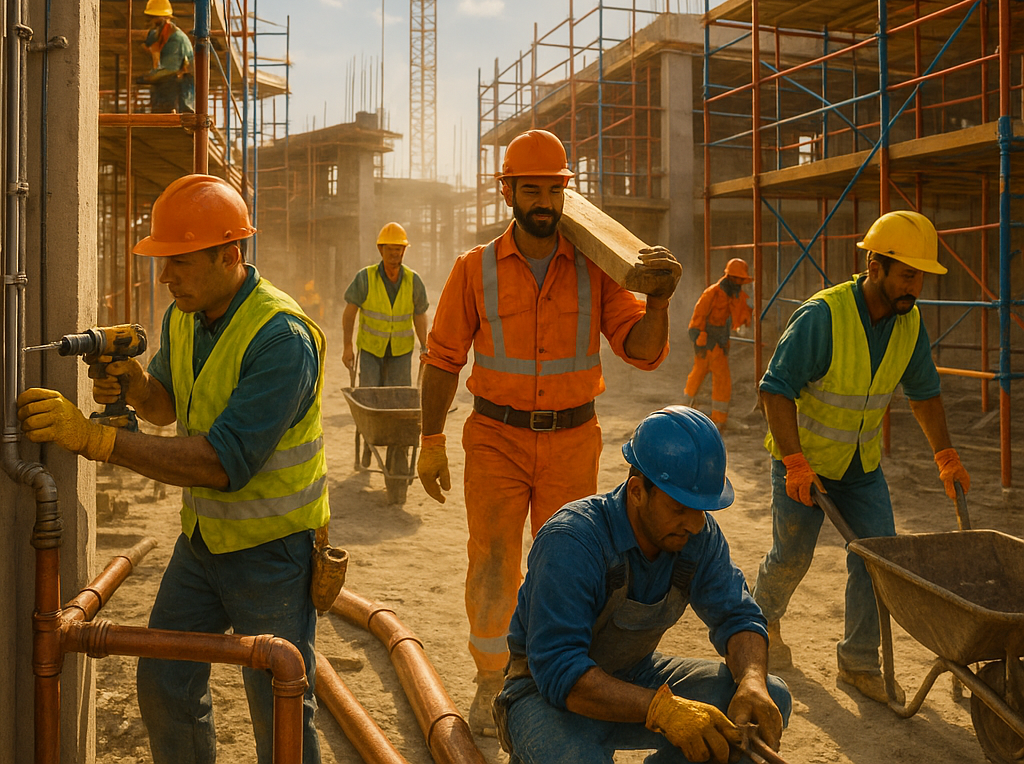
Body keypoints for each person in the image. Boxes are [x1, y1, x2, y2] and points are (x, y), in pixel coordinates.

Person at [18, 174, 329, 764]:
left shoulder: (282, 339)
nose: (166, 277)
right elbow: (168, 403)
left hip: (272, 549)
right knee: (164, 680)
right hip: (204, 540)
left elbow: (220, 463)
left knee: (279, 700)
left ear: (230, 254)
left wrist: (95, 439)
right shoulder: (186, 314)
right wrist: (135, 385)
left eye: (180, 261)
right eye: (165, 262)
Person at [416, 128, 683, 735]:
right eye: (528, 189)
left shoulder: (597, 269)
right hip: (495, 436)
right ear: (507, 191)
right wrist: (431, 441)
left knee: (564, 563)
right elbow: (441, 360)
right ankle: (493, 680)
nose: (542, 201)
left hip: (571, 437)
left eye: (552, 190)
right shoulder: (473, 270)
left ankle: (547, 672)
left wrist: (660, 303)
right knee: (491, 559)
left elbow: (639, 351)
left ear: (567, 194)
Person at [752, 210, 971, 704]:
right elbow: (775, 389)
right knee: (791, 556)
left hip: (859, 467)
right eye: (907, 275)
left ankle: (857, 663)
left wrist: (946, 454)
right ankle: (758, 626)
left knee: (880, 562)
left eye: (921, 276)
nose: (915, 287)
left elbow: (924, 393)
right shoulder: (822, 317)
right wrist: (794, 463)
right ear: (875, 267)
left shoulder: (908, 322)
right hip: (802, 462)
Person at [493, 406, 791, 764]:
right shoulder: (572, 540)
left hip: (634, 676)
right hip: (544, 694)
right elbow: (560, 671)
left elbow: (739, 617)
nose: (695, 524)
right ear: (636, 492)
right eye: (681, 508)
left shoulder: (697, 536)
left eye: (702, 509)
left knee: (769, 700)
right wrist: (663, 710)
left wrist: (752, 679)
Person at [341, 222, 429, 386]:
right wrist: (347, 346)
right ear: (381, 250)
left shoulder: (413, 280)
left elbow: (420, 315)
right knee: (370, 396)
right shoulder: (365, 278)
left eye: (398, 248)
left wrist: (425, 347)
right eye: (390, 249)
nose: (394, 253)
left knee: (398, 399)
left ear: (404, 250)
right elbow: (349, 313)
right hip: (371, 352)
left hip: (401, 353)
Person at [680, 258, 753, 430]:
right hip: (707, 341)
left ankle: (712, 417)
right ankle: (694, 412)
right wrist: (697, 338)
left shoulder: (734, 294)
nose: (741, 283)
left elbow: (740, 316)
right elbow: (698, 315)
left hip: (719, 342)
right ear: (731, 277)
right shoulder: (712, 293)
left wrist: (748, 307)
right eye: (739, 279)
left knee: (714, 377)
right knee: (704, 375)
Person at [140, 0, 195, 113]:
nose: (152, 22)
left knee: (165, 83)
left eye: (155, 19)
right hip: (171, 85)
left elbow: (171, 69)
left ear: (164, 19)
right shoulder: (162, 35)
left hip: (180, 90)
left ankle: (172, 112)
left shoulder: (175, 38)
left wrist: (149, 77)